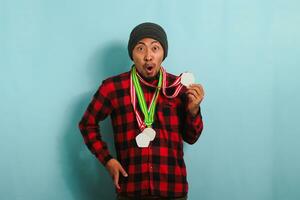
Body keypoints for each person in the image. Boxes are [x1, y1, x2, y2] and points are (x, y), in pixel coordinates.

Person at [78, 22, 205, 200]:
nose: (148, 56)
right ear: (132, 54)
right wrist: (107, 160)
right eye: (140, 48)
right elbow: (87, 124)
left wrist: (193, 111)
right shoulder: (113, 88)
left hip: (172, 189)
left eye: (155, 48)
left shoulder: (178, 88)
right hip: (131, 190)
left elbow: (191, 138)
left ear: (163, 54)